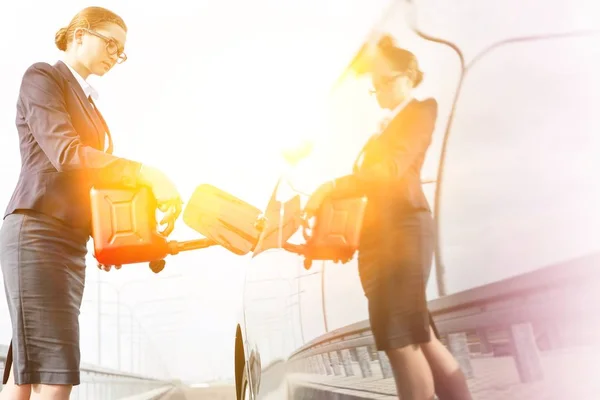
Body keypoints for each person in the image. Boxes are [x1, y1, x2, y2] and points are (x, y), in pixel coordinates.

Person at [0, 6, 182, 400]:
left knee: (30, 365)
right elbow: (65, 154)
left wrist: (117, 230)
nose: (115, 56)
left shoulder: (92, 107)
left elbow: (91, 183)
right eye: (110, 43)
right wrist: (145, 172)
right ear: (79, 33)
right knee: (56, 365)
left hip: (68, 240)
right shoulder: (42, 77)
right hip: (37, 229)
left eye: (121, 52)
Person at [305, 36, 473, 400]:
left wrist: (332, 186)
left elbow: (391, 172)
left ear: (408, 76)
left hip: (403, 235)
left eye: (384, 82)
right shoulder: (383, 127)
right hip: (380, 240)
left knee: (400, 339)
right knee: (419, 336)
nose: (378, 90)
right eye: (374, 86)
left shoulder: (420, 110)